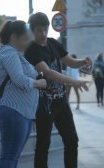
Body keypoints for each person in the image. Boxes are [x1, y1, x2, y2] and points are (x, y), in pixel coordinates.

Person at [24, 12, 92, 168]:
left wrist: (83, 61)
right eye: (39, 30)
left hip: (61, 101)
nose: (43, 34)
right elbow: (48, 72)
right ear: (32, 31)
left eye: (45, 30)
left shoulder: (53, 43)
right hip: (44, 103)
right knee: (43, 145)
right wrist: (73, 82)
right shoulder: (31, 50)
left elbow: (69, 61)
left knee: (72, 140)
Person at [0, 20, 47, 168]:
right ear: (13, 37)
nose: (27, 42)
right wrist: (38, 83)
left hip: (20, 112)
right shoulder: (8, 53)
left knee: (12, 157)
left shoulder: (13, 53)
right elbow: (20, 80)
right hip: (12, 110)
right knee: (9, 156)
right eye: (25, 39)